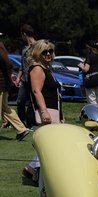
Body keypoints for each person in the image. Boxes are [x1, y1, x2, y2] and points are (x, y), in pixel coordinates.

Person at [23, 40, 63, 181]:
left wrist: (60, 115)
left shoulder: (46, 68)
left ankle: (33, 169)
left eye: (50, 51)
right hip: (45, 112)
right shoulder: (37, 69)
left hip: (53, 111)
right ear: (37, 53)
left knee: (52, 143)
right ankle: (34, 169)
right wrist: (44, 112)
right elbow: (36, 91)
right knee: (51, 144)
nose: (48, 54)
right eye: (44, 51)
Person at [0, 40, 31, 141]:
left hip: (1, 83)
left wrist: (8, 75)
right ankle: (21, 129)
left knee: (4, 107)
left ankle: (21, 129)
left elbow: (8, 63)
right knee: (5, 107)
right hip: (3, 83)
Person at [16, 24, 36, 127]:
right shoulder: (25, 48)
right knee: (20, 101)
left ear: (24, 34)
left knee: (32, 102)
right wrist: (19, 77)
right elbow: (22, 64)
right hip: (24, 79)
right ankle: (21, 123)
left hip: (34, 79)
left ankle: (30, 123)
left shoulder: (36, 46)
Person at [79, 38, 98, 104]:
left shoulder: (89, 56)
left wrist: (81, 66)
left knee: (91, 99)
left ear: (88, 47)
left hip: (91, 80)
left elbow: (86, 69)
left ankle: (94, 112)